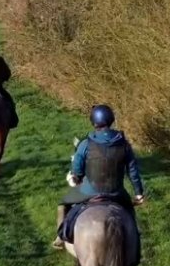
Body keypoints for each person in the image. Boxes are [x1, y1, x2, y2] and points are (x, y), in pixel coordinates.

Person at [52, 104, 146, 249]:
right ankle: (135, 238)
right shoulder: (124, 145)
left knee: (63, 204)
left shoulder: (85, 144)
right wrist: (138, 193)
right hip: (117, 193)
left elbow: (77, 171)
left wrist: (75, 177)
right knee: (129, 211)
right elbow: (133, 171)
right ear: (111, 120)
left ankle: (60, 238)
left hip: (89, 191)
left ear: (94, 122)